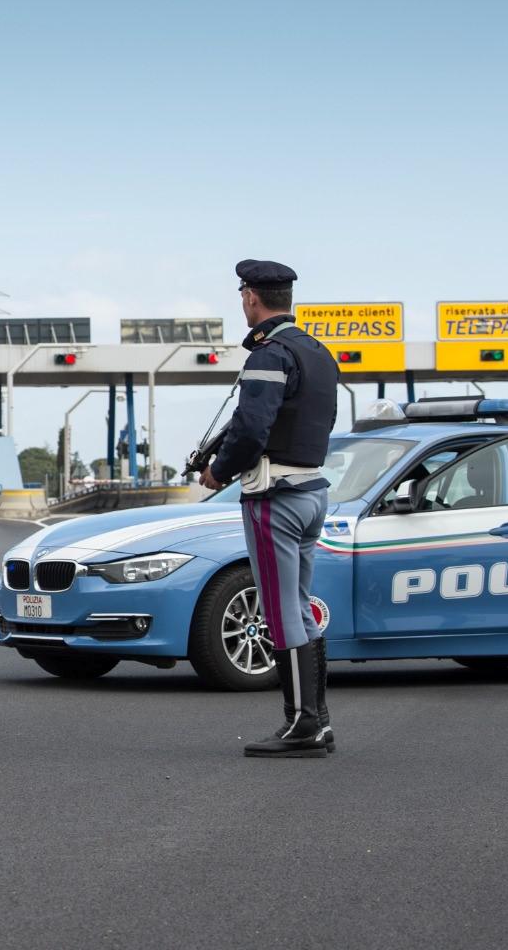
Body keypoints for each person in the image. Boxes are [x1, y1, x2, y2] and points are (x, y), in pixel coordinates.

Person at [200, 260, 339, 757]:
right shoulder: (318, 352)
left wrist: (218, 470)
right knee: (298, 607)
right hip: (311, 491)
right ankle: (314, 720)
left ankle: (303, 724)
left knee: (280, 612)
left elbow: (252, 426)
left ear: (252, 297)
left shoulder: (269, 353)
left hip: (273, 498)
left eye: (242, 294)